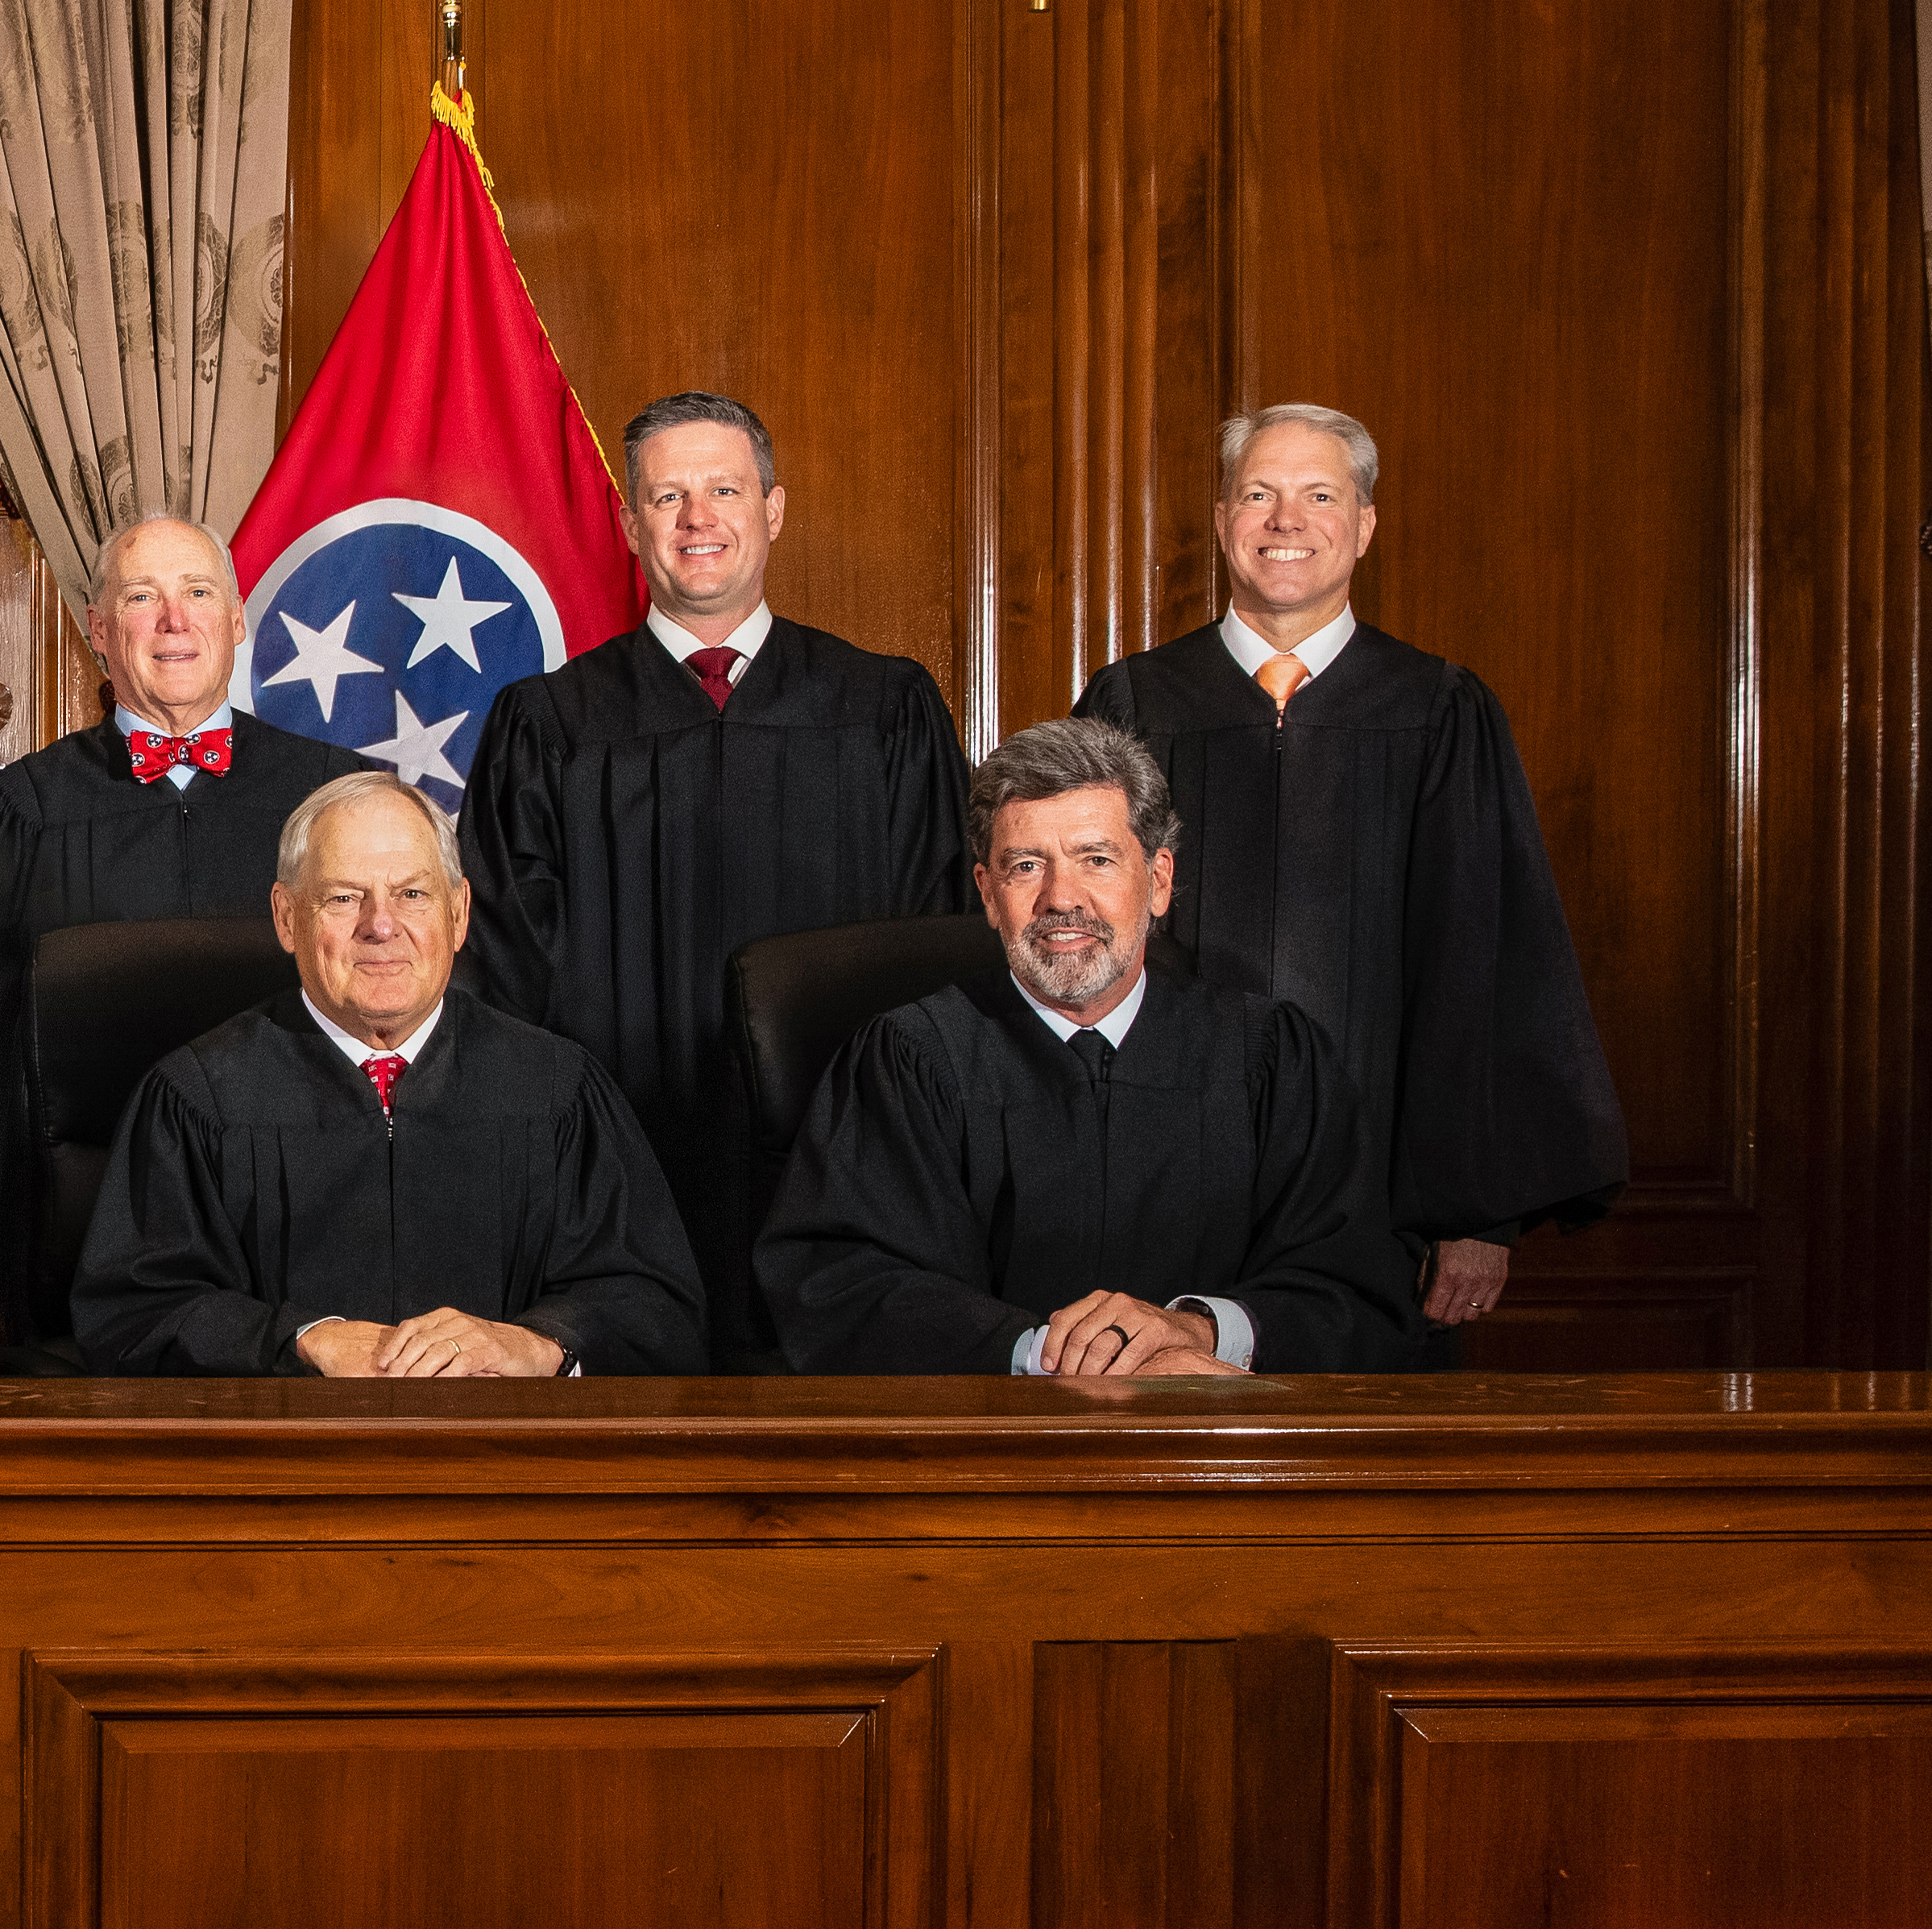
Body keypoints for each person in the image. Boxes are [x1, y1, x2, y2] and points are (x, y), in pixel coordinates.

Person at [1073, 404, 1627, 1356]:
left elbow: (1486, 961)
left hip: (1380, 1198)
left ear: (1363, 524)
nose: (1284, 520)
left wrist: (1477, 1214)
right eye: (1258, 494)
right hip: (1157, 1171)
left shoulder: (1438, 710)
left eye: (1318, 496)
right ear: (1222, 520)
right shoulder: (1130, 702)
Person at [454, 390, 964, 1361]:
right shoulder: (548, 723)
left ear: (771, 510)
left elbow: (930, 947)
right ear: (629, 524)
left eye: (724, 490)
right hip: (618, 1171)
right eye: (667, 496)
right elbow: (505, 975)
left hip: (841, 1172)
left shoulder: (882, 710)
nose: (697, 519)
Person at [756, 719, 1416, 1379]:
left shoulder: (1268, 1057)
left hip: (1216, 1434)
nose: (1061, 898)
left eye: (1095, 858)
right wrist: (1055, 1356)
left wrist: (1199, 1331)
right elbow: (842, 1286)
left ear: (1158, 880)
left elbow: (1353, 1286)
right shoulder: (909, 1061)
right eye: (1025, 866)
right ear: (987, 894)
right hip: (989, 1435)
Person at [73, 771, 702, 1379]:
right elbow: (132, 1318)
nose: (380, 924)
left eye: (412, 894)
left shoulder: (557, 1089)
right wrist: (302, 1340)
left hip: (503, 1444)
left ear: (458, 913)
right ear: (286, 917)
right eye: (344, 897)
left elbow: (655, 1308)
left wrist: (538, 1344)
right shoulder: (199, 1096)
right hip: (287, 1446)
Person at [0, 514, 354, 1339]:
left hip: (301, 1230)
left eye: (198, 593)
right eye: (142, 598)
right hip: (75, 1258)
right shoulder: (24, 811)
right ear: (99, 631)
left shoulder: (331, 802)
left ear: (236, 620)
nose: (174, 620)